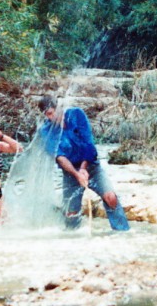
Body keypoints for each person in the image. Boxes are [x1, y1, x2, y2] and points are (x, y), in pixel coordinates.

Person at [37, 95, 130, 231]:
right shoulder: (46, 130)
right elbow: (60, 157)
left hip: (91, 166)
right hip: (70, 173)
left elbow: (88, 144)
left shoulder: (76, 114)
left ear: (58, 108)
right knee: (71, 214)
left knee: (111, 198)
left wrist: (83, 169)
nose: (51, 117)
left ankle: (122, 232)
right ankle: (72, 239)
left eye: (52, 113)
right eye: (47, 115)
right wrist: (76, 174)